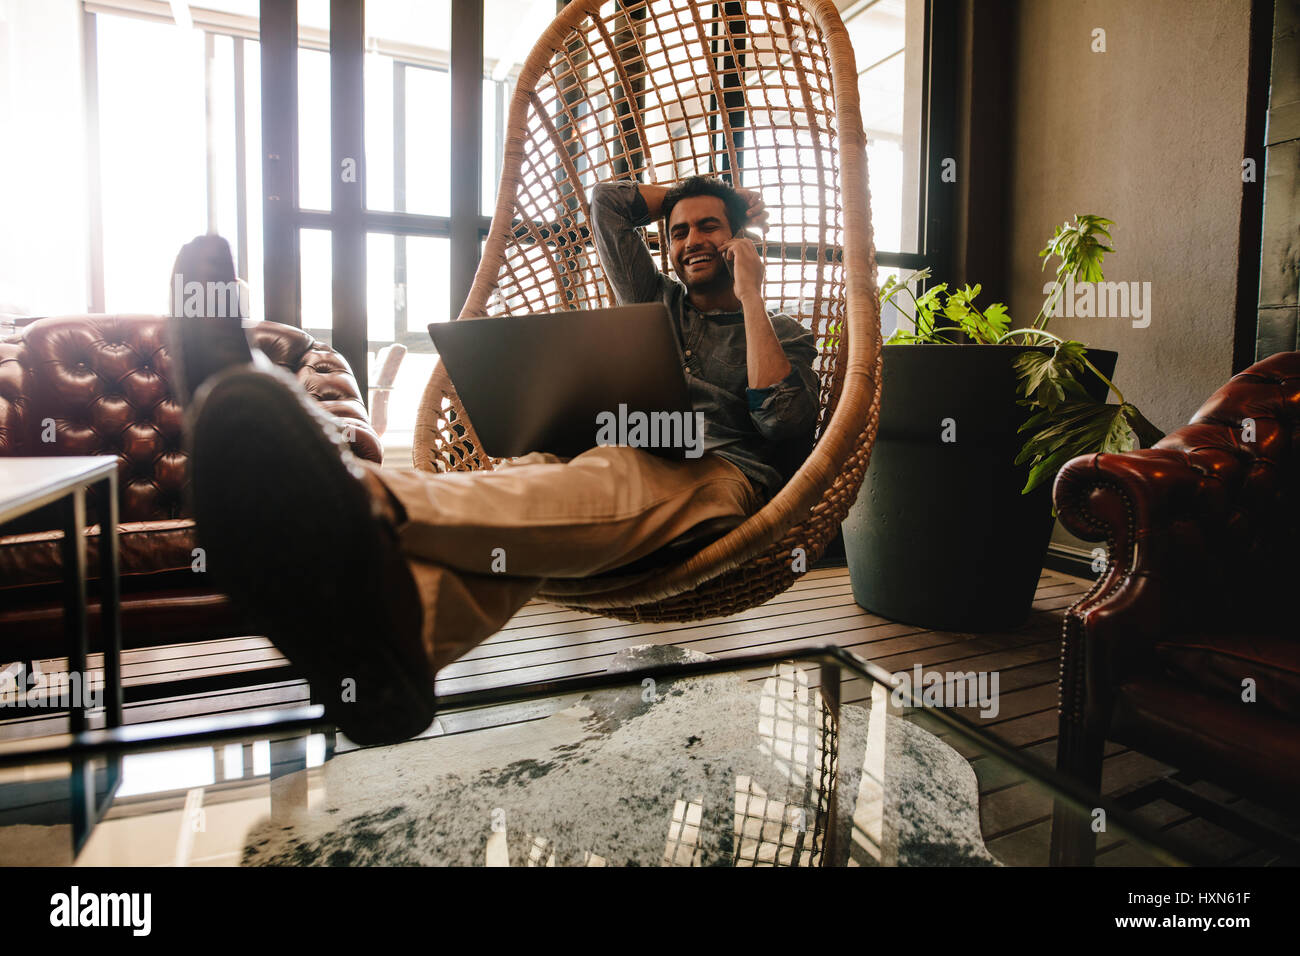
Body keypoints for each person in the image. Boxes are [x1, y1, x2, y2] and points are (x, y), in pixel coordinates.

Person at [177, 175, 819, 744]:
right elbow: (607, 204)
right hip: (623, 443)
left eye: (710, 226)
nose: (691, 240)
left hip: (717, 475)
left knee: (594, 482)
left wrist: (751, 293)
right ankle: (393, 667)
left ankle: (351, 490)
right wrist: (687, 192)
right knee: (525, 482)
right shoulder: (656, 299)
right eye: (678, 233)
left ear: (740, 239)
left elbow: (783, 422)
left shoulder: (782, 327)